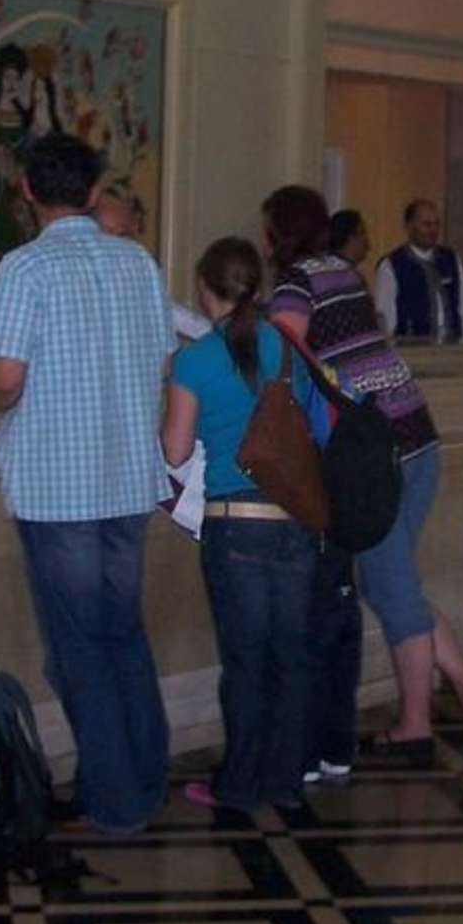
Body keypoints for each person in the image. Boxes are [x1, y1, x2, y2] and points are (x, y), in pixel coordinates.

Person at [265, 184, 463, 769]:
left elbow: (283, 352)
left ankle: (415, 728)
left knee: (391, 589)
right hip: (416, 435)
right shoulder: (342, 272)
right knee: (392, 581)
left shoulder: (295, 283)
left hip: (376, 451)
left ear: (278, 233)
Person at [0, 134, 174, 833]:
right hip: (126, 480)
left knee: (79, 647)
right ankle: (144, 780)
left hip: (57, 488)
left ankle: (115, 800)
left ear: (26, 189)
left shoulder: (25, 268)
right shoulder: (137, 262)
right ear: (94, 193)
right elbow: (163, 359)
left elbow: (6, 378)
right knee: (123, 633)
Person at [161, 238, 319, 813]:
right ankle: (287, 780)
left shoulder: (195, 360)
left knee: (246, 661)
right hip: (293, 517)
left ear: (205, 290)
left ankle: (240, 784)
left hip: (235, 523)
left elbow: (176, 451)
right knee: (290, 656)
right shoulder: (286, 349)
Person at [96, 189, 211, 341]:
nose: (129, 244)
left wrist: (217, 335)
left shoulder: (142, 269)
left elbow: (169, 311)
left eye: (128, 235)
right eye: (120, 234)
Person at [373, 198, 463, 342]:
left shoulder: (451, 259)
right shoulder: (391, 265)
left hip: (452, 346)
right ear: (409, 227)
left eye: (436, 224)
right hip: (412, 348)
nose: (433, 230)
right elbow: (385, 316)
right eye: (426, 224)